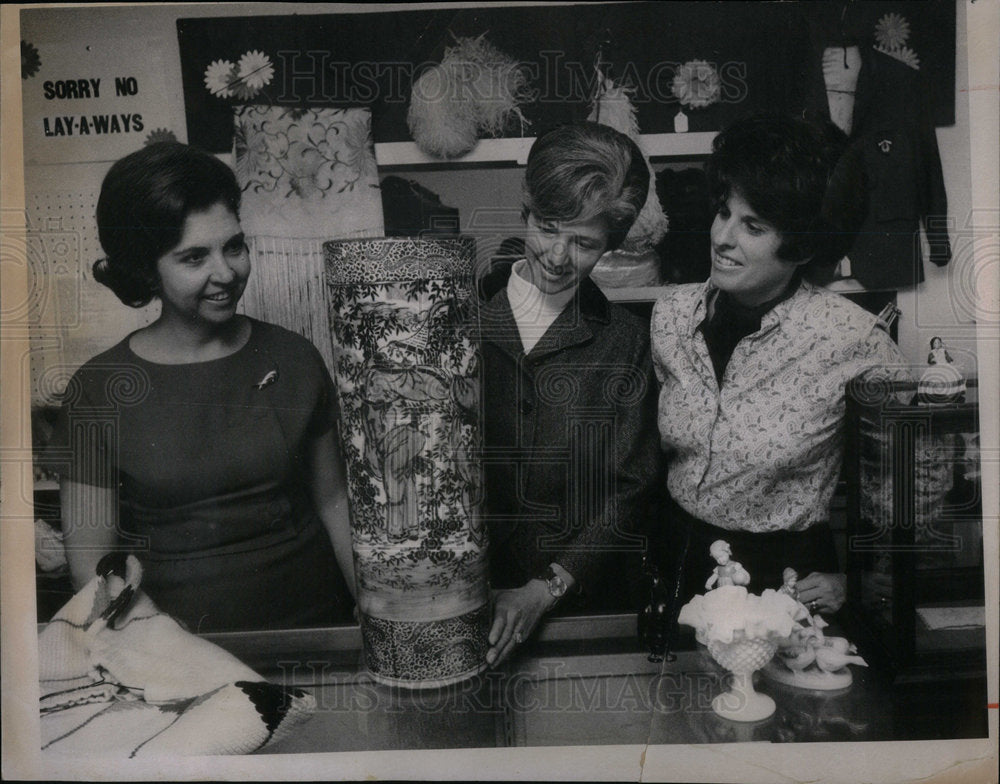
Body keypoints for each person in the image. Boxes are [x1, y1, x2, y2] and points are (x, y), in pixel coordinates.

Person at [45, 142, 355, 632]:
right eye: (194, 257)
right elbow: (92, 570)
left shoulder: (295, 358)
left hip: (319, 631)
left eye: (233, 246)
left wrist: (380, 618)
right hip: (176, 655)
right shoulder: (96, 391)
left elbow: (335, 502)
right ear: (147, 268)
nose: (226, 272)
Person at [651, 113, 908, 623]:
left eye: (754, 225)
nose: (723, 237)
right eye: (723, 212)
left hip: (785, 583)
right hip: (677, 562)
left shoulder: (851, 339)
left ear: (803, 245)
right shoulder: (671, 316)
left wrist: (864, 579)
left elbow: (918, 472)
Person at [477, 122, 664, 666]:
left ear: (612, 242)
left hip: (583, 606)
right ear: (526, 208)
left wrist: (548, 586)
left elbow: (633, 487)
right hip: (468, 599)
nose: (558, 256)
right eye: (548, 226)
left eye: (583, 242)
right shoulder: (457, 318)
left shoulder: (627, 341)